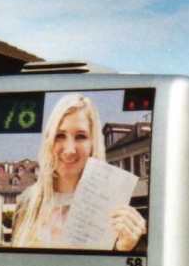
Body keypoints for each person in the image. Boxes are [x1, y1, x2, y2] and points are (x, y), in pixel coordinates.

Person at [12, 93, 146, 251]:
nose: (69, 150)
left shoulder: (115, 209)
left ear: (93, 143)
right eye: (60, 136)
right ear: (49, 140)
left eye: (80, 136)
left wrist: (124, 250)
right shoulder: (27, 202)